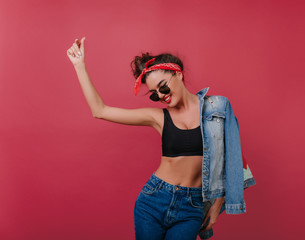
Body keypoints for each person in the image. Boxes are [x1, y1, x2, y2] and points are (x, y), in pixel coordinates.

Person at [66, 37, 256, 240]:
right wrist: (79, 66)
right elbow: (100, 111)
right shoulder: (158, 118)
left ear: (178, 74)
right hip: (154, 199)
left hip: (192, 206)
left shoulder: (218, 107)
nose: (161, 96)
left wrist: (217, 205)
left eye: (163, 87)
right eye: (155, 94)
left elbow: (233, 155)